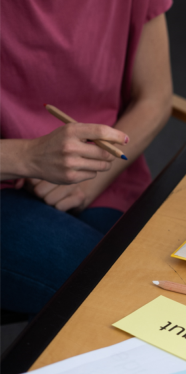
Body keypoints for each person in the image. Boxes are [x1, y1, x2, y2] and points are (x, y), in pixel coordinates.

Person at [0, 0, 173, 314]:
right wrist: (26, 156)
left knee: (172, 280)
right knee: (128, 299)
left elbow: (155, 98)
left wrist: (92, 180)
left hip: (102, 180)